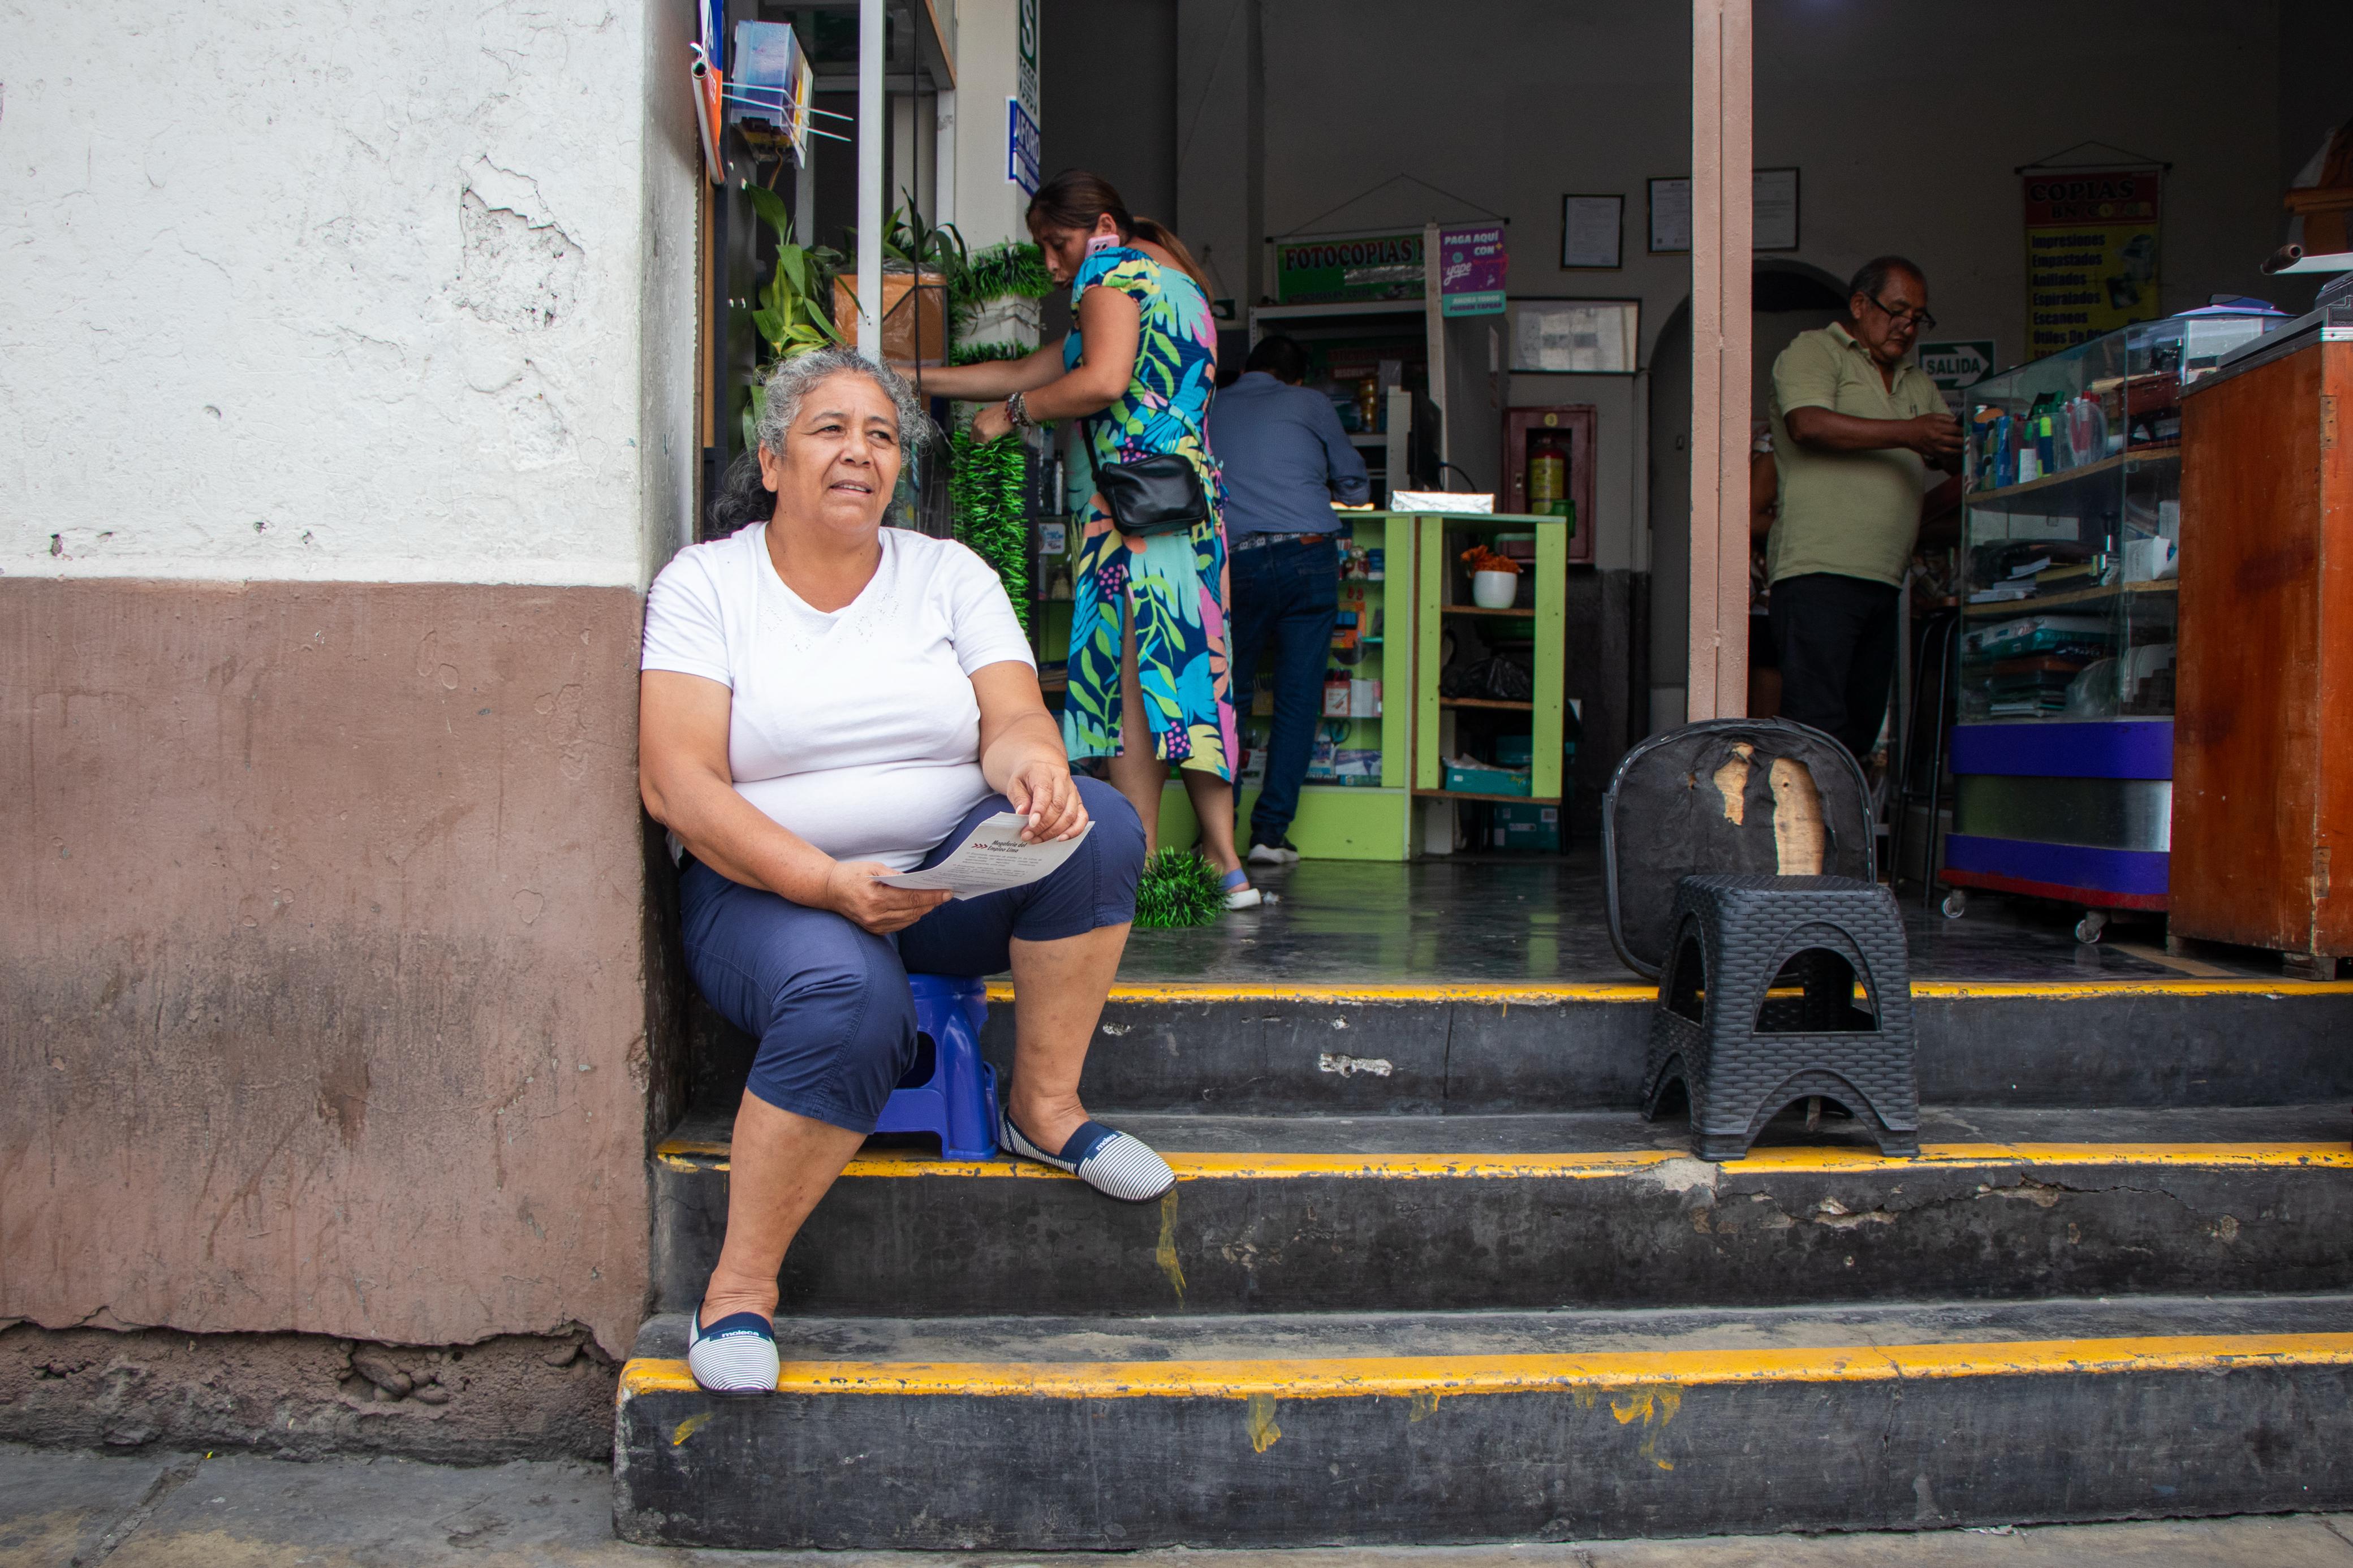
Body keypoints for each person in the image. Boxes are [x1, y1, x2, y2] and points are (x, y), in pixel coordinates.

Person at [638, 347, 1163, 1394]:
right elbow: (677, 783)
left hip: (942, 879)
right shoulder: (708, 583)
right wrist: (824, 884)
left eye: (881, 435)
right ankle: (739, 1288)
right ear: (775, 459)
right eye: (831, 429)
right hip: (764, 893)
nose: (859, 453)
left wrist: (1035, 770)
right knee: (849, 994)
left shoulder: (946, 574)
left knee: (1094, 825)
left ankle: (1043, 1110)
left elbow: (1011, 714)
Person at [911, 171, 1259, 909]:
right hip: (1190, 509)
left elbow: (1098, 380)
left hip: (1134, 515)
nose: (1051, 264)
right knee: (1196, 680)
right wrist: (914, 378)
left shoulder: (1111, 270)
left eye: (1056, 243)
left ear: (1100, 225)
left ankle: (1143, 861)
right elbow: (1033, 366)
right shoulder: (1178, 285)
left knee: (1137, 687)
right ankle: (1228, 866)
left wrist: (1014, 413)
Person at [1766, 255, 1963, 761]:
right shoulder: (1816, 350)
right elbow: (1806, 424)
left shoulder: (1917, 384)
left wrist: (1960, 454)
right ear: (1860, 304)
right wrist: (1909, 433)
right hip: (1818, 572)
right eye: (1897, 310)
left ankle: (1843, 840)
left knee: (1858, 735)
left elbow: (1951, 455)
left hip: (1885, 579)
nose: (1907, 326)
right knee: (1817, 734)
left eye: (1918, 317)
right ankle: (1808, 842)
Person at [1204, 333, 1369, 863]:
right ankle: (1270, 837)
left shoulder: (1209, 403)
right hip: (1306, 556)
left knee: (1231, 700)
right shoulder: (1311, 403)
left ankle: (1219, 838)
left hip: (1239, 563)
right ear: (1294, 377)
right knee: (1297, 700)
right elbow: (1357, 487)